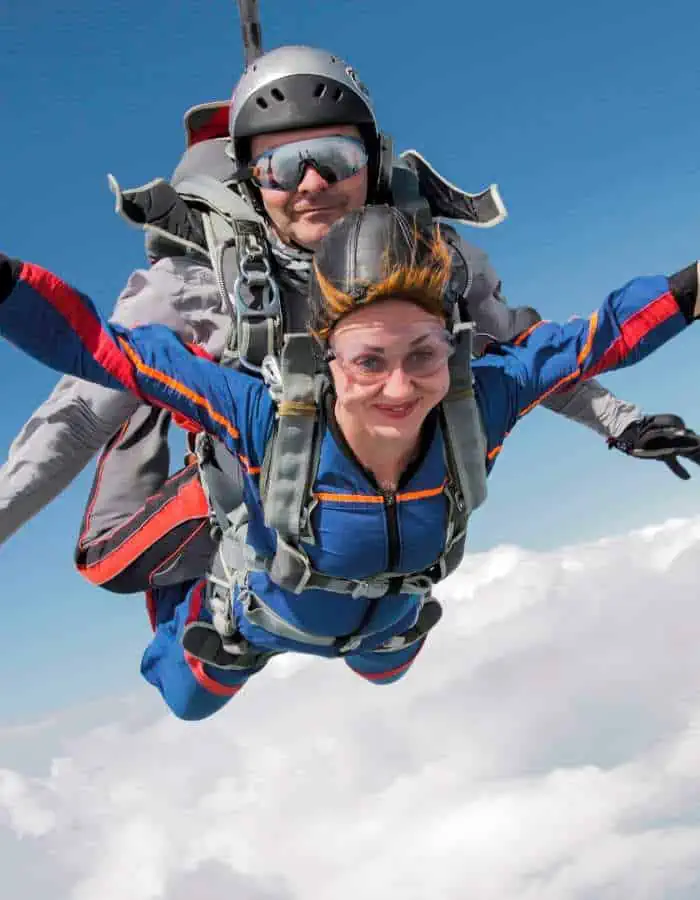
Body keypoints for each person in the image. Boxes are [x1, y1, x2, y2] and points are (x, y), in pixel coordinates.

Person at [0, 46, 693, 597]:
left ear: (373, 162)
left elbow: (528, 353)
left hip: (357, 484)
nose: (311, 185)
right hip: (235, 458)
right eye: (281, 166)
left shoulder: (435, 265)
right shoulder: (193, 288)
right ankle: (212, 568)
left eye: (333, 159)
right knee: (112, 563)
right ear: (250, 182)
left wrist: (623, 422)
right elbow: (84, 403)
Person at [1, 205, 698, 720]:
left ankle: (372, 640)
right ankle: (192, 594)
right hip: (255, 618)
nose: (398, 389)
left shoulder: (481, 400)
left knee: (386, 670)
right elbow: (102, 348)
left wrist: (684, 306)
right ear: (325, 359)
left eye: (423, 356)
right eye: (370, 361)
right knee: (185, 697)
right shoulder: (264, 418)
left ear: (452, 351)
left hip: (392, 617)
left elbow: (604, 335)